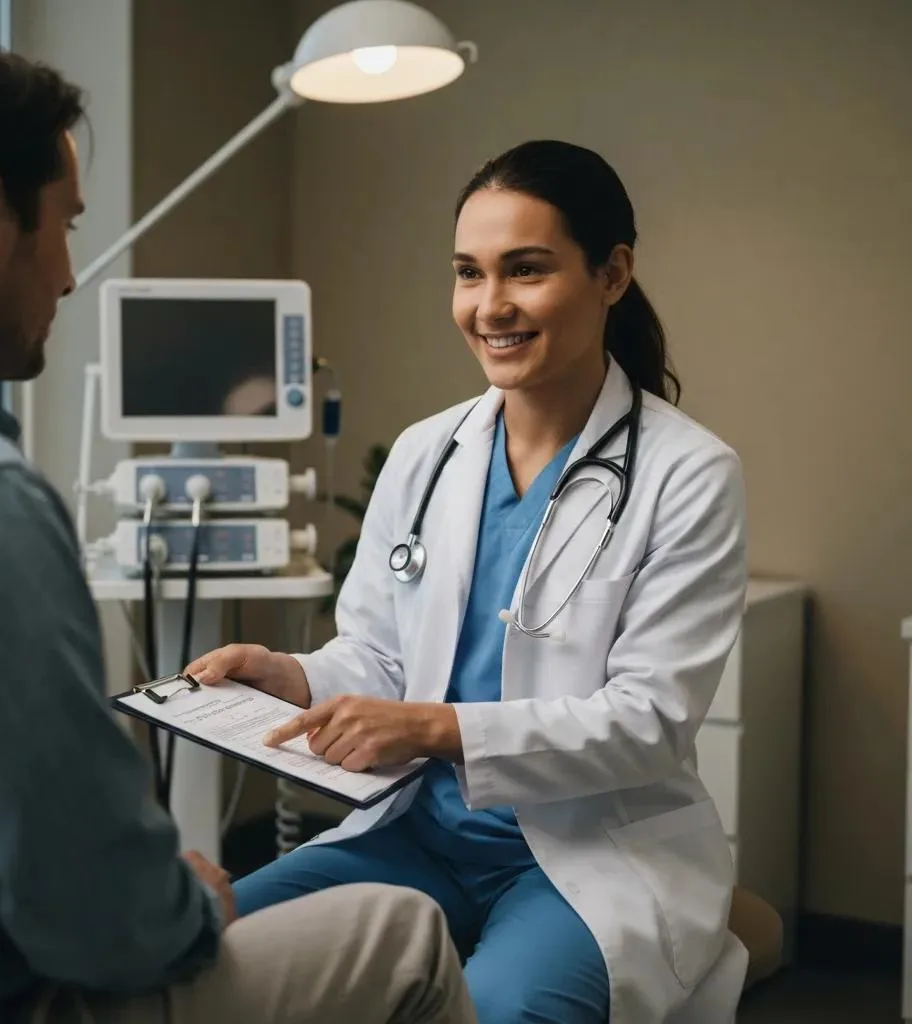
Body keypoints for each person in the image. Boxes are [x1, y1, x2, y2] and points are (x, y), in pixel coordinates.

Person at [0, 32, 475, 1024]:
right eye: (64, 227)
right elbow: (94, 911)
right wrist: (189, 906)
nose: (71, 276)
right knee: (402, 928)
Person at [187, 140, 749, 1024]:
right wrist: (290, 677)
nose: (491, 306)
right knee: (211, 962)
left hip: (582, 857)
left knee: (497, 1014)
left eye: (526, 271)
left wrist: (436, 727)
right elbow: (377, 655)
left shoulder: (689, 473)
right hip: (413, 833)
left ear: (612, 274)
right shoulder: (426, 453)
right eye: (469, 273)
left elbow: (650, 721)